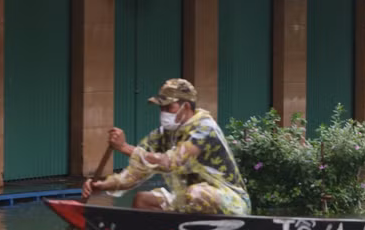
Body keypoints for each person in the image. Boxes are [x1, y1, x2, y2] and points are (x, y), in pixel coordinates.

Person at [82, 79, 251, 216]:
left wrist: (125, 147)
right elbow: (133, 175)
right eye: (161, 108)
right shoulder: (162, 135)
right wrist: (102, 186)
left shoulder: (205, 128)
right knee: (142, 200)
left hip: (230, 203)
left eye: (168, 107)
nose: (163, 112)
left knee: (196, 194)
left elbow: (172, 162)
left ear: (185, 107)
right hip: (188, 201)